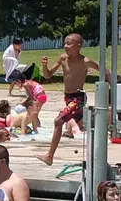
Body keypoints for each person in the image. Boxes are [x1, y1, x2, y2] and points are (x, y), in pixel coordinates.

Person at [36, 33, 113, 166]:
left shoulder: (85, 61)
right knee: (85, 126)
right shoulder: (62, 59)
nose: (66, 46)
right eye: (65, 43)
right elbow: (48, 75)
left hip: (78, 97)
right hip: (68, 98)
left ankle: (49, 156)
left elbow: (105, 72)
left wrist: (113, 90)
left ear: (79, 46)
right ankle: (96, 159)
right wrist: (44, 65)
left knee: (58, 121)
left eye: (69, 43)